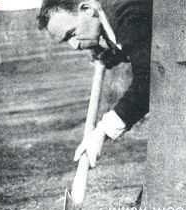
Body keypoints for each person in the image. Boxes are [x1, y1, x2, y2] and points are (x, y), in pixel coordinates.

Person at [37, 0, 152, 168]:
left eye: (71, 34)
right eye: (66, 41)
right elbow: (135, 44)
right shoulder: (114, 13)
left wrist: (103, 131)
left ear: (87, 9)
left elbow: (150, 81)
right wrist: (111, 55)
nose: (74, 45)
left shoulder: (130, 12)